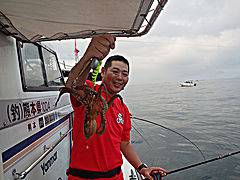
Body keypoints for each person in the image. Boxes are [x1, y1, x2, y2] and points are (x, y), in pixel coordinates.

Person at [65, 34, 167, 180]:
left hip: (116, 176)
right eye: (115, 71)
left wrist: (142, 168)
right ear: (103, 72)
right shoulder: (89, 92)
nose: (120, 77)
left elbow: (124, 144)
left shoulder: (123, 109)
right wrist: (89, 56)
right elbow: (72, 86)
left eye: (124, 74)